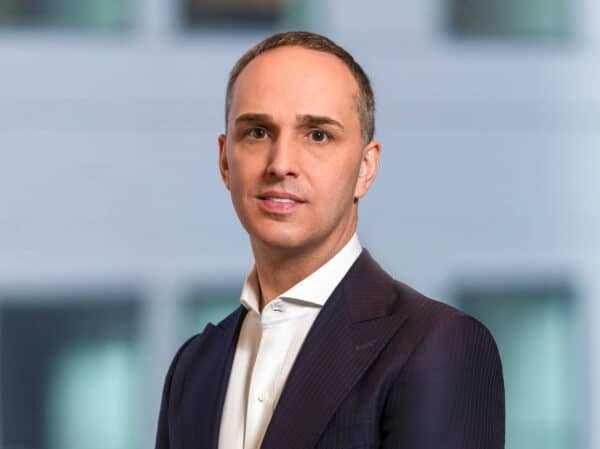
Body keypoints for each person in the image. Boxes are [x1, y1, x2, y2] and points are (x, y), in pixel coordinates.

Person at [154, 31, 505, 449]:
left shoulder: (438, 346)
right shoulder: (193, 368)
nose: (281, 164)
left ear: (365, 168)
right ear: (225, 160)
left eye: (317, 135)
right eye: (258, 133)